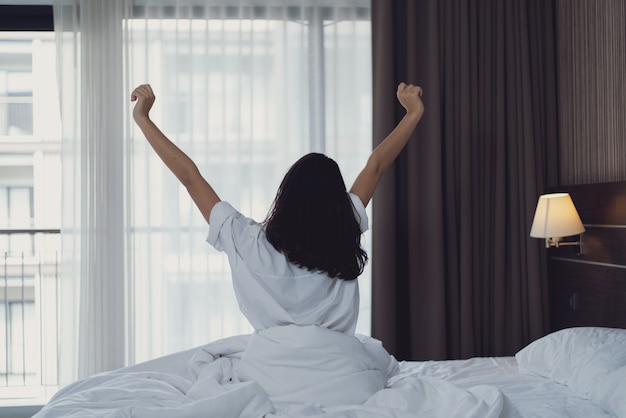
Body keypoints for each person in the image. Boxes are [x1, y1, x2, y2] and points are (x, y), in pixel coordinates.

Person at [130, 82, 424, 336]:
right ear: (336, 203)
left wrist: (143, 118)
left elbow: (190, 177)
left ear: (285, 195)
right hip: (340, 366)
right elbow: (377, 165)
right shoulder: (344, 229)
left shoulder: (247, 240)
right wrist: (413, 113)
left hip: (271, 367)